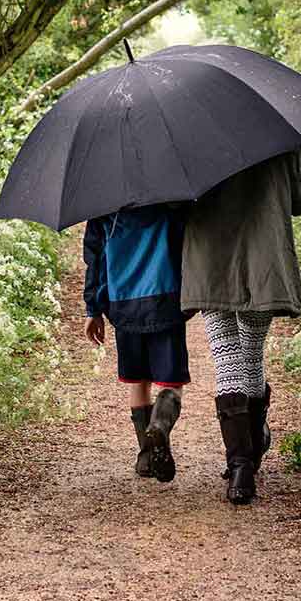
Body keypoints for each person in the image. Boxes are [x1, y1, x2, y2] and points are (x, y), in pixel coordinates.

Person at [180, 149, 301, 505]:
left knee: (227, 358)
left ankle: (240, 467)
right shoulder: (278, 138)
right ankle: (251, 452)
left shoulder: (189, 140)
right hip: (264, 261)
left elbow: (172, 203)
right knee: (251, 355)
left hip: (211, 262)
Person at [83, 204, 189, 482]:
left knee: (138, 380)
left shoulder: (104, 204)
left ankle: (145, 455)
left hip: (123, 303)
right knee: (171, 383)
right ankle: (159, 427)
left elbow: (94, 258)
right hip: (167, 299)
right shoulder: (171, 197)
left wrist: (93, 309)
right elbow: (189, 243)